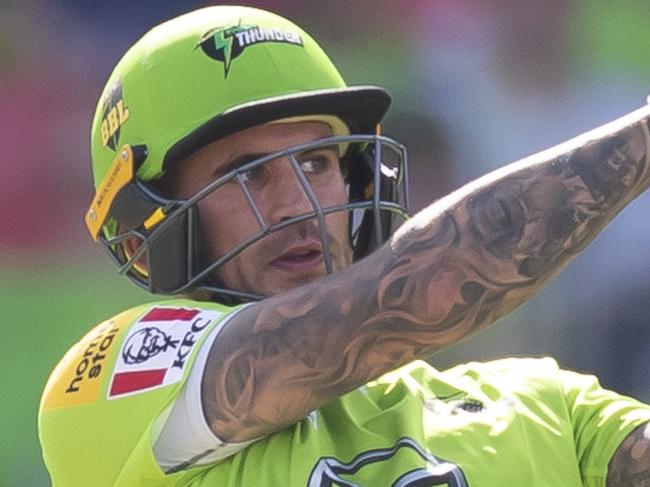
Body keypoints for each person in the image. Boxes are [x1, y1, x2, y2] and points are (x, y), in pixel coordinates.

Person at [38, 6, 650, 486]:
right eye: (248, 175)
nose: (301, 205)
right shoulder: (105, 388)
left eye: (318, 161)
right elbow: (432, 286)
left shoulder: (546, 404)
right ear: (149, 224)